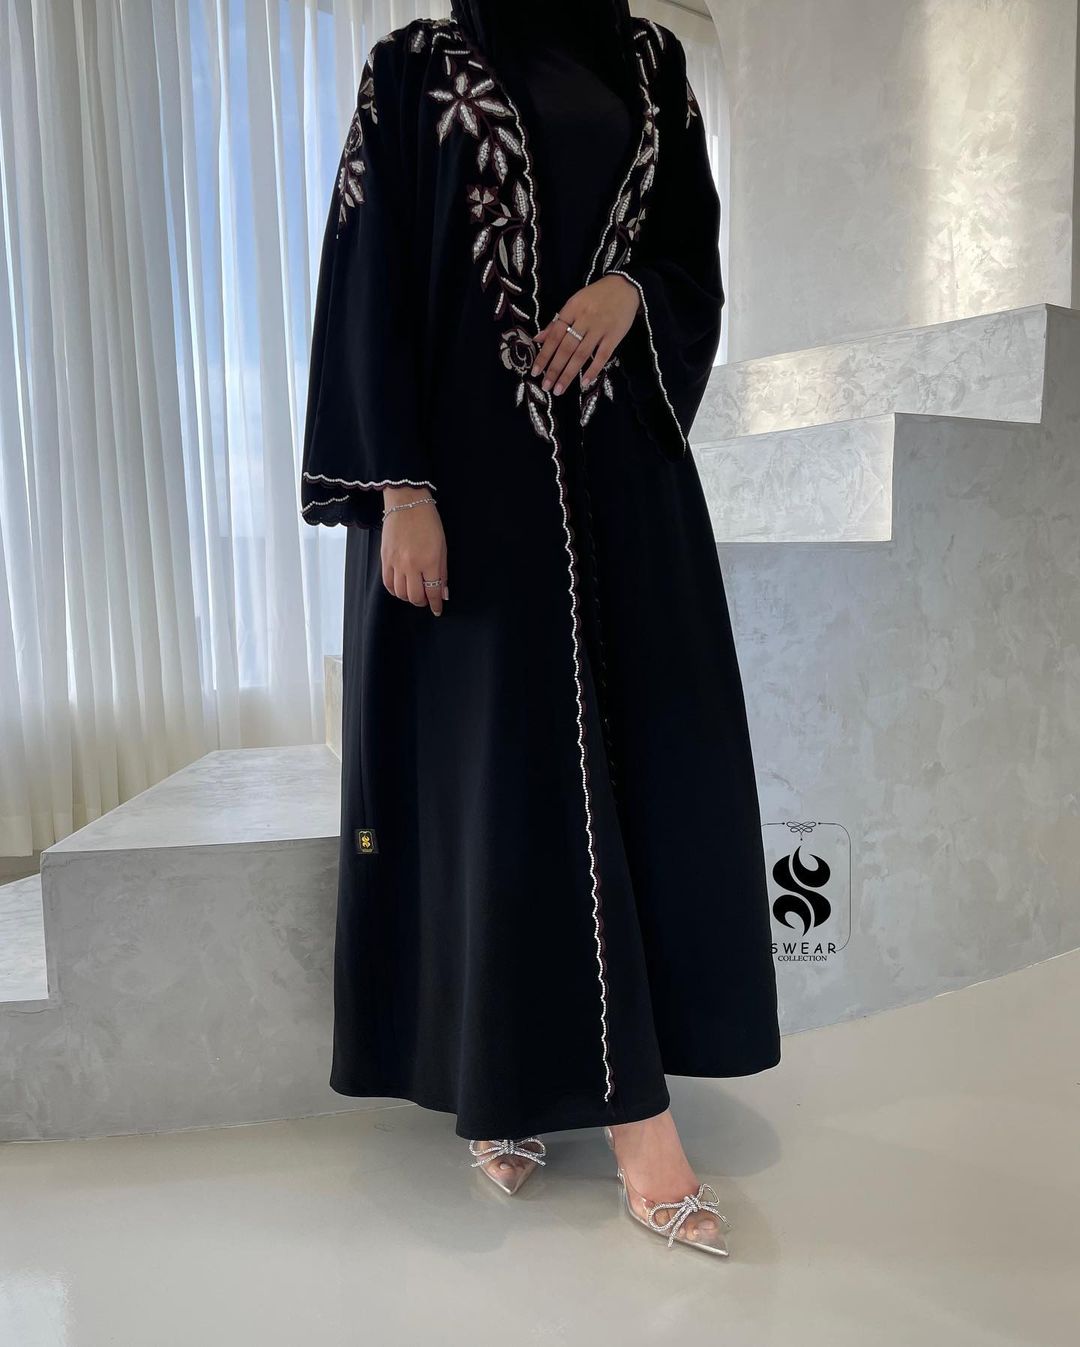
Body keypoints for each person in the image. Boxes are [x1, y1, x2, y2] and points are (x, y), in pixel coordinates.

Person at [299, 0, 780, 1257]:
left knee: (649, 770)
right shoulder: (416, 65)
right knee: (502, 790)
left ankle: (606, 1091)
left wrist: (631, 289)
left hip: (623, 481)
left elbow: (688, 250)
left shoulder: (650, 60)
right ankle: (565, 1104)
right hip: (470, 488)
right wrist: (400, 488)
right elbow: (367, 273)